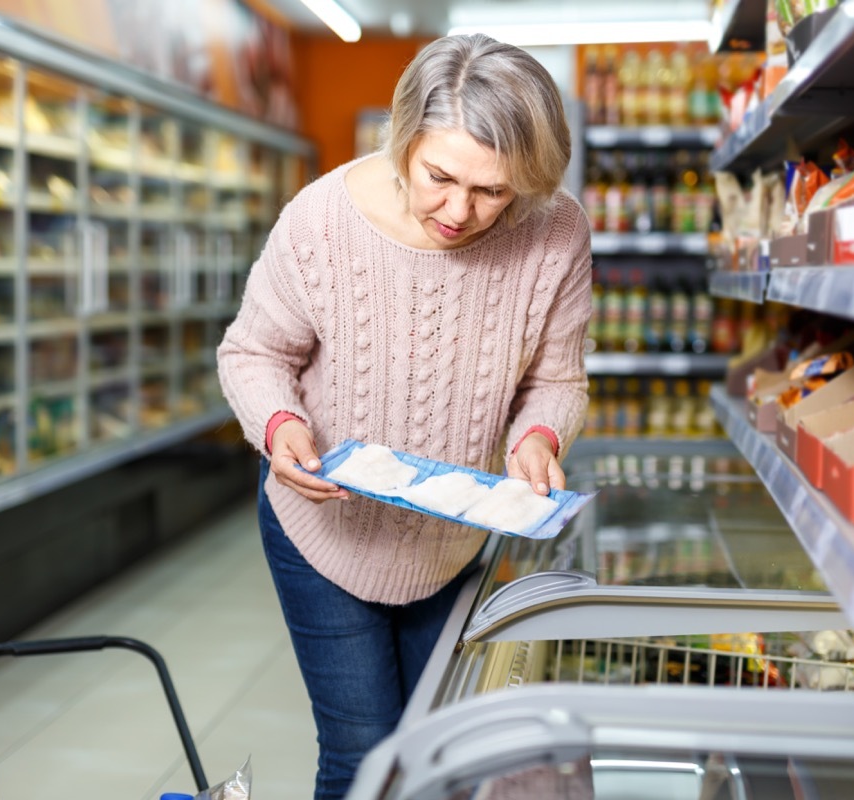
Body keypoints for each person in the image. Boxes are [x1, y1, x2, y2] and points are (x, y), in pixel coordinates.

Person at [217, 33, 592, 799]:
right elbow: (252, 354)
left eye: (494, 191)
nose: (460, 211)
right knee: (365, 759)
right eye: (440, 176)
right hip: (323, 531)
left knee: (445, 754)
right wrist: (282, 427)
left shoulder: (556, 231)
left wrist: (538, 437)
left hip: (454, 543)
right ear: (404, 138)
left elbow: (558, 378)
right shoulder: (321, 221)